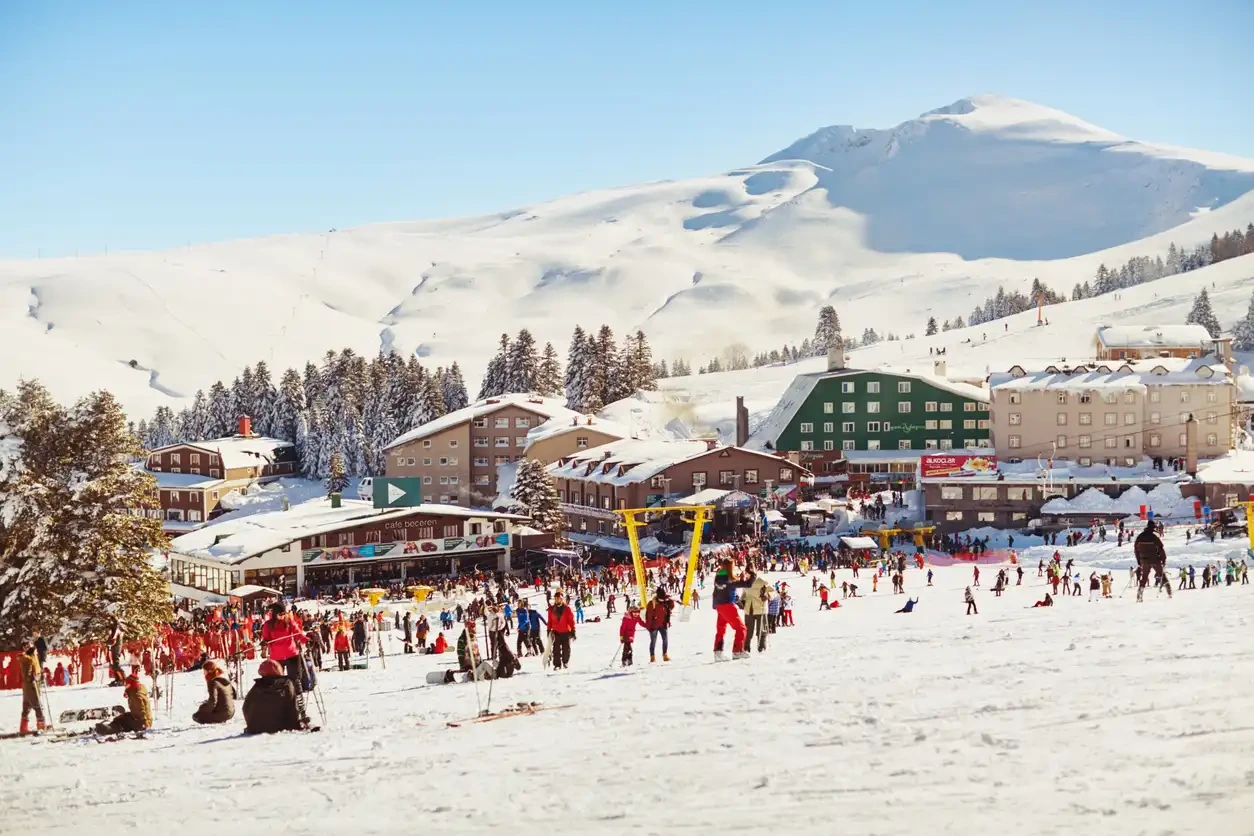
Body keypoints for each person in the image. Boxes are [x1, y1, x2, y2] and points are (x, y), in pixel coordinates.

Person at [261, 603, 310, 727]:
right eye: (280, 614)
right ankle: (280, 713)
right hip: (276, 657)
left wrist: (307, 640)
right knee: (278, 684)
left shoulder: (289, 621)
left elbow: (298, 634)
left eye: (284, 613)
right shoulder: (268, 625)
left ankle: (302, 711)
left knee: (296, 681)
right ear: (274, 614)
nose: (283, 616)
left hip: (292, 654)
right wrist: (264, 645)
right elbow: (266, 638)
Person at [243, 659, 302, 734]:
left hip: (255, 728)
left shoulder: (257, 687)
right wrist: (295, 725)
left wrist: (251, 724)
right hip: (280, 727)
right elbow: (293, 708)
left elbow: (245, 707)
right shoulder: (286, 684)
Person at [712, 559, 754, 660]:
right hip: (727, 606)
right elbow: (748, 584)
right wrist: (753, 574)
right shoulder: (729, 580)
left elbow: (717, 591)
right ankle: (737, 651)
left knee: (721, 629)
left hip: (720, 606)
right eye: (733, 565)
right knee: (741, 628)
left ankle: (718, 653)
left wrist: (715, 605)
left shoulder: (718, 577)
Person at [95, 671, 153, 735]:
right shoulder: (136, 691)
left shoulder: (136, 696)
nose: (125, 685)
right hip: (142, 719)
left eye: (127, 684)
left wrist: (145, 723)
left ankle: (111, 729)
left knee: (122, 721)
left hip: (142, 722)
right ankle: (111, 726)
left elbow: (140, 710)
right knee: (124, 717)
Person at [192, 660, 236, 725]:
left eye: (204, 671)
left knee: (196, 716)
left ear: (209, 671)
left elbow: (213, 702)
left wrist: (202, 711)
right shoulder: (224, 681)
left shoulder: (213, 683)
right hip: (231, 712)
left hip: (223, 714)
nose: (204, 674)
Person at [18, 643, 46, 736]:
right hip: (31, 685)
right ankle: (41, 726)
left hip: (30, 685)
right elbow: (27, 674)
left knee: (27, 706)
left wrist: (41, 674)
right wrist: (32, 678)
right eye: (35, 649)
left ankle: (23, 727)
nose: (36, 651)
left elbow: (35, 669)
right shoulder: (28, 659)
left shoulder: (32, 657)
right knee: (37, 706)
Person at [548, 591, 577, 670]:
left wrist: (573, 631)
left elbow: (571, 621)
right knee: (556, 649)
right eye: (555, 598)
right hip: (556, 632)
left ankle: (565, 662)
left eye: (558, 598)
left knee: (566, 649)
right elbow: (550, 621)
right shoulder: (551, 609)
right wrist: (548, 630)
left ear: (562, 599)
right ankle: (557, 664)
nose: (557, 600)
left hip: (566, 632)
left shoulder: (567, 609)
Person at [645, 588, 673, 663]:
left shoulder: (665, 602)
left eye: (663, 599)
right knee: (653, 641)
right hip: (654, 626)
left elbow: (672, 606)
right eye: (661, 599)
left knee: (665, 639)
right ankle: (652, 656)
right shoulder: (652, 603)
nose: (662, 600)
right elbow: (648, 616)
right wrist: (649, 627)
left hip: (663, 624)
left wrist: (669, 599)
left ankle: (665, 655)